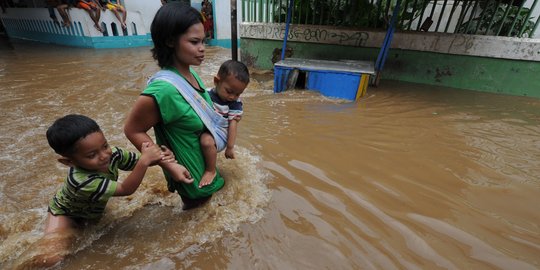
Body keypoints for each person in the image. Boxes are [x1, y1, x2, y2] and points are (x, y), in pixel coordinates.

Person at [39, 114, 181, 267]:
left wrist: (161, 157)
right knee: (52, 259)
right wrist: (146, 160)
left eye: (105, 146)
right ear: (69, 162)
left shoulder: (113, 154)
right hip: (66, 214)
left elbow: (138, 162)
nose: (104, 156)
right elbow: (126, 189)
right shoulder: (81, 181)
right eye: (92, 155)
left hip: (91, 209)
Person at [124, 2, 225, 210]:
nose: (202, 49)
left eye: (203, 41)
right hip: (193, 184)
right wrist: (169, 165)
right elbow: (132, 130)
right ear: (170, 41)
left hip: (208, 174)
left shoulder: (191, 74)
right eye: (194, 42)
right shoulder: (164, 91)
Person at [199, 60, 249, 186]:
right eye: (229, 91)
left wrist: (230, 147)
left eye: (238, 94)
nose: (233, 97)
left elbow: (233, 125)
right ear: (216, 81)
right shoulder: (205, 94)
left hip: (221, 133)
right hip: (208, 126)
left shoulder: (234, 104)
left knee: (206, 141)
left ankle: (211, 171)